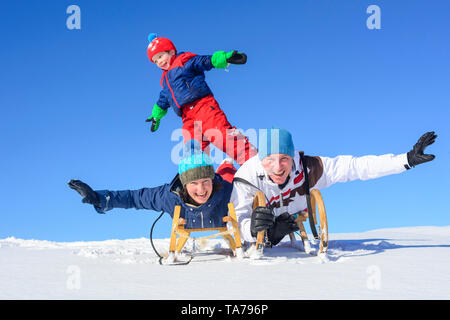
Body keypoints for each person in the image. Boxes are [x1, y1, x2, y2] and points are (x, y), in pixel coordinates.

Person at [230, 129, 437, 252]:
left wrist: (405, 160)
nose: (278, 167)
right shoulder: (247, 177)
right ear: (261, 159)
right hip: (265, 218)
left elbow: (356, 167)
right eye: (270, 160)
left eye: (284, 158)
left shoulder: (309, 168)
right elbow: (236, 219)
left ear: (292, 157)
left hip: (292, 213)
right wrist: (253, 230)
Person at [68, 140, 236, 230]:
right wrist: (100, 198)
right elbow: (134, 198)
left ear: (212, 180)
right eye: (194, 183)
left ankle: (226, 165)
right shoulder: (170, 196)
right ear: (184, 184)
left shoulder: (229, 191)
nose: (201, 190)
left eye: (206, 182)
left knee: (229, 175)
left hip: (224, 187)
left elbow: (256, 200)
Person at [145, 33, 257, 165]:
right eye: (155, 61)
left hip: (202, 106)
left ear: (171, 51)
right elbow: (163, 99)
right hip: (187, 117)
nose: (159, 62)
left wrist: (224, 58)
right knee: (193, 149)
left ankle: (253, 162)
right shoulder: (165, 80)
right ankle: (200, 177)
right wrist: (155, 116)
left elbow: (203, 61)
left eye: (160, 56)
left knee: (220, 135)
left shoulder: (183, 60)